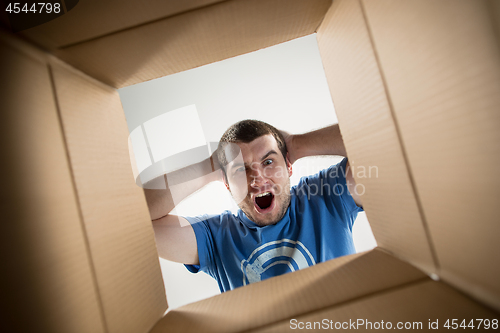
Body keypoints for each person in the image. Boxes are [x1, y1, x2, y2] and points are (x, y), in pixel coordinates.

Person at [145, 120, 363, 292]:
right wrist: (210, 164)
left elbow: (378, 138)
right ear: (226, 183)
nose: (257, 178)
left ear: (288, 166)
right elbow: (135, 220)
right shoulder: (216, 237)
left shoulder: (325, 195)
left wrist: (296, 143)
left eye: (268, 162)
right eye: (241, 169)